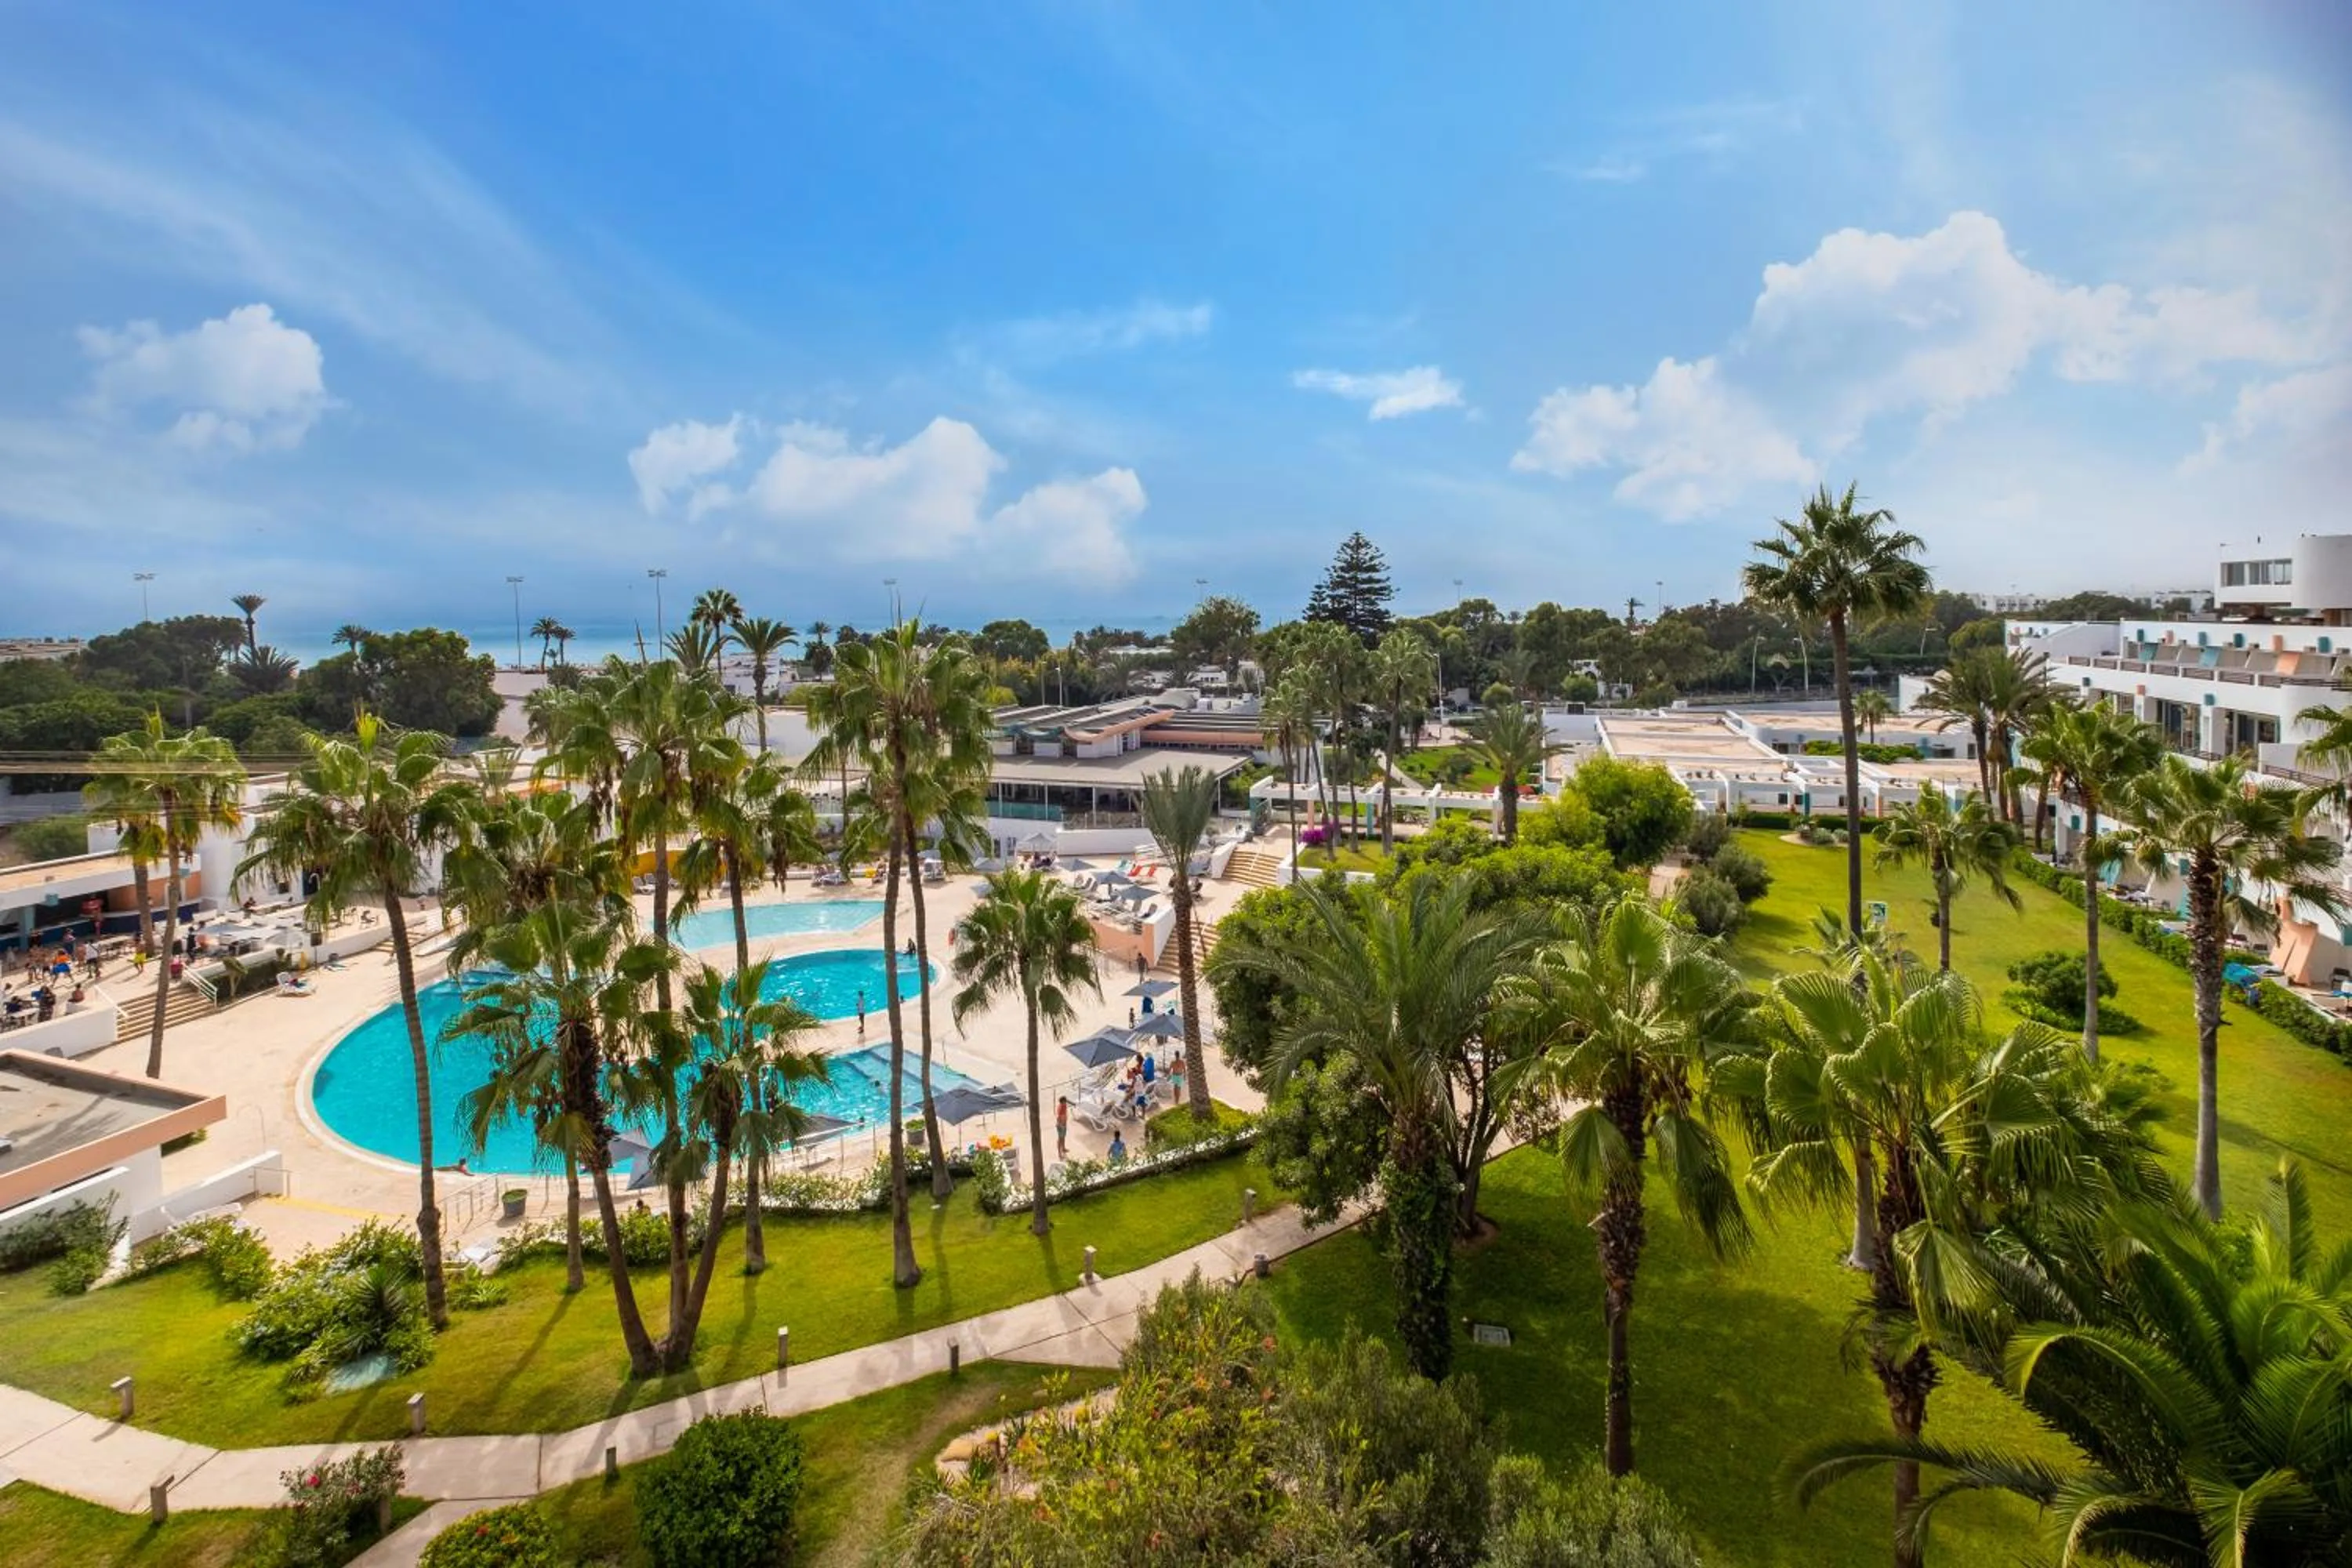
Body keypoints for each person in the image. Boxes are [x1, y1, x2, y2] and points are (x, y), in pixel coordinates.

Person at [1054, 1095, 1069, 1160]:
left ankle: (1063, 1148)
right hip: (1061, 1125)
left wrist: (1065, 1123)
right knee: (1060, 1139)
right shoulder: (1060, 1107)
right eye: (1065, 1101)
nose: (1066, 1102)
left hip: (1064, 1124)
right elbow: (1058, 1117)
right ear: (1063, 1102)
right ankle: (1059, 1153)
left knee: (1063, 1137)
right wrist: (1060, 1124)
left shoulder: (1064, 1106)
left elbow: (1065, 1115)